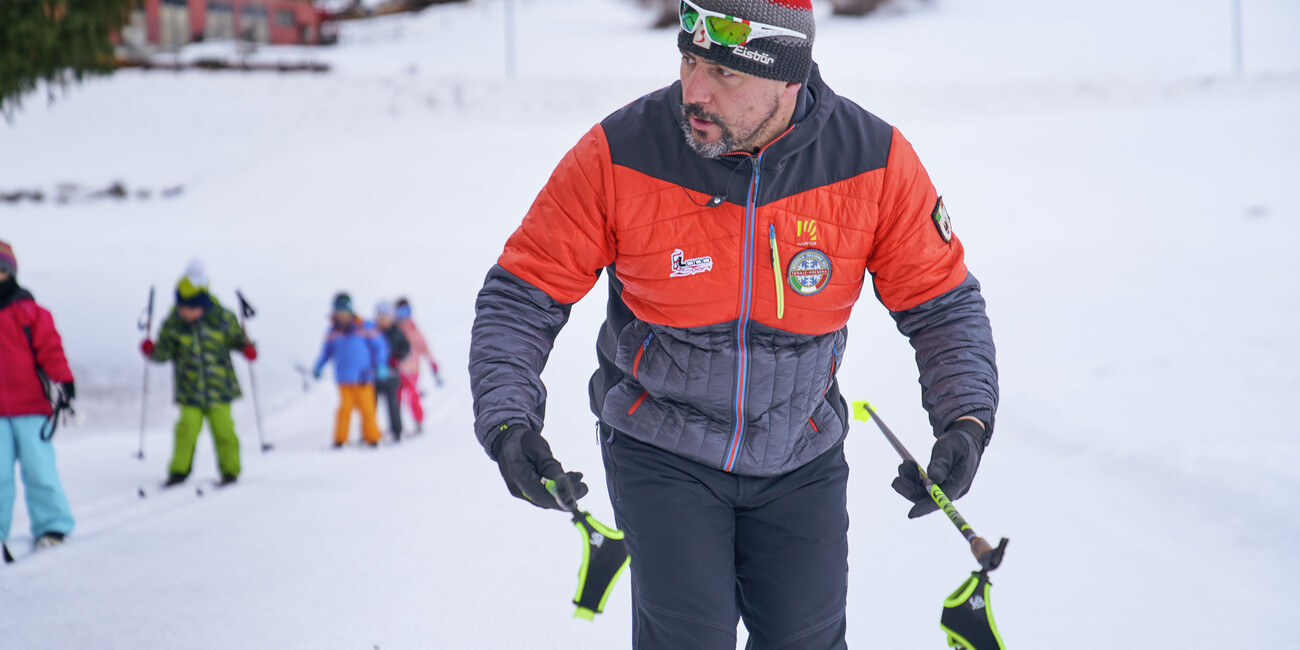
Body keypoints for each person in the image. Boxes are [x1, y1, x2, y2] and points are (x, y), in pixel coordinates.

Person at [468, 1, 999, 647]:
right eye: (690, 60)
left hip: (800, 450)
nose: (694, 90)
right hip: (662, 446)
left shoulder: (874, 161)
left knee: (807, 638)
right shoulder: (620, 152)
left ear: (786, 76)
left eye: (724, 73)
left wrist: (965, 422)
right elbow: (523, 295)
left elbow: (940, 303)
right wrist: (507, 421)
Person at [142, 260, 254, 486]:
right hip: (189, 391)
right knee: (186, 431)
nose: (185, 312)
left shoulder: (222, 318)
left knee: (224, 431)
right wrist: (152, 351)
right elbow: (163, 354)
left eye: (190, 308)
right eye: (182, 308)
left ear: (201, 306)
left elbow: (238, 341)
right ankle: (179, 470)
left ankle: (230, 470)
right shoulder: (173, 324)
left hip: (220, 389)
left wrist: (248, 348)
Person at [0, 240, 77, 556]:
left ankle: (52, 524)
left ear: (10, 272)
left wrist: (65, 381)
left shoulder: (31, 312)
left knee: (39, 469)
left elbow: (50, 349)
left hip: (32, 407)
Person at [312, 293, 386, 448]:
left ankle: (372, 438)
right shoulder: (333, 331)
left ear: (351, 311)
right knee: (344, 409)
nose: (342, 315)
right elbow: (326, 352)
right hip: (344, 378)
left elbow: (379, 347)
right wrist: (319, 366)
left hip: (364, 376)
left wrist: (380, 364)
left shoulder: (365, 326)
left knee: (367, 408)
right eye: (338, 312)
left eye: (344, 311)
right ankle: (340, 439)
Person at [393, 297, 441, 434]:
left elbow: (424, 347)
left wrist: (432, 363)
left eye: (405, 312)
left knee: (413, 396)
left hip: (412, 370)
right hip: (396, 369)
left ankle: (418, 422)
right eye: (399, 313)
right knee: (395, 398)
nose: (402, 317)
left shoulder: (414, 330)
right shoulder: (394, 330)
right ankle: (397, 427)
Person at [373, 300, 409, 440]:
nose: (383, 320)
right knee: (371, 405)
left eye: (385, 317)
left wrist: (398, 357)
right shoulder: (374, 331)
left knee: (393, 404)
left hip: (392, 374)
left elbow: (406, 347)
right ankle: (371, 432)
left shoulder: (396, 331)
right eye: (380, 317)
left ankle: (397, 432)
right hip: (376, 374)